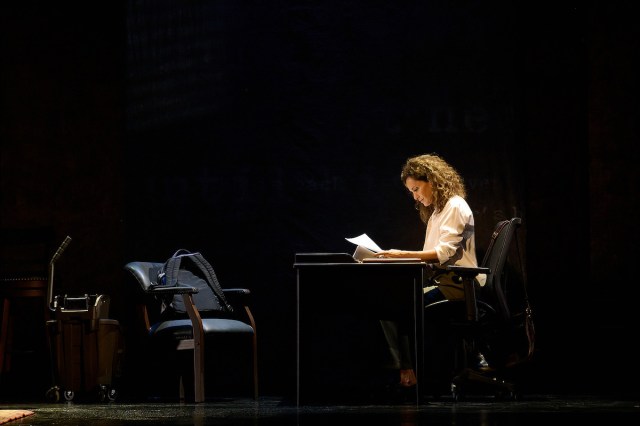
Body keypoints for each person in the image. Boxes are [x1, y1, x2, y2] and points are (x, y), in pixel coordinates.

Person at [375, 153, 485, 389]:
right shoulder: (437, 212)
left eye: (416, 189)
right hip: (444, 282)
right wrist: (394, 259)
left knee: (399, 306)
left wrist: (400, 254)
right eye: (411, 192)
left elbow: (442, 253)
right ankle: (405, 369)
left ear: (432, 180)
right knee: (390, 302)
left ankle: (407, 372)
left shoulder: (454, 205)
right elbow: (430, 256)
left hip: (458, 286)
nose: (415, 196)